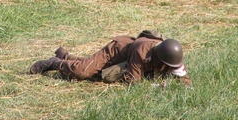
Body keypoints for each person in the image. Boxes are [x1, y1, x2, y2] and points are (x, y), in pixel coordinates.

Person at [29, 32, 191, 86]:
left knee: (90, 67)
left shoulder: (171, 55)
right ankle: (54, 63)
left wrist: (185, 87)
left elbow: (184, 78)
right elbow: (132, 80)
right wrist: (158, 87)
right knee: (83, 72)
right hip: (116, 51)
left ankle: (65, 56)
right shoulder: (143, 51)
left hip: (128, 56)